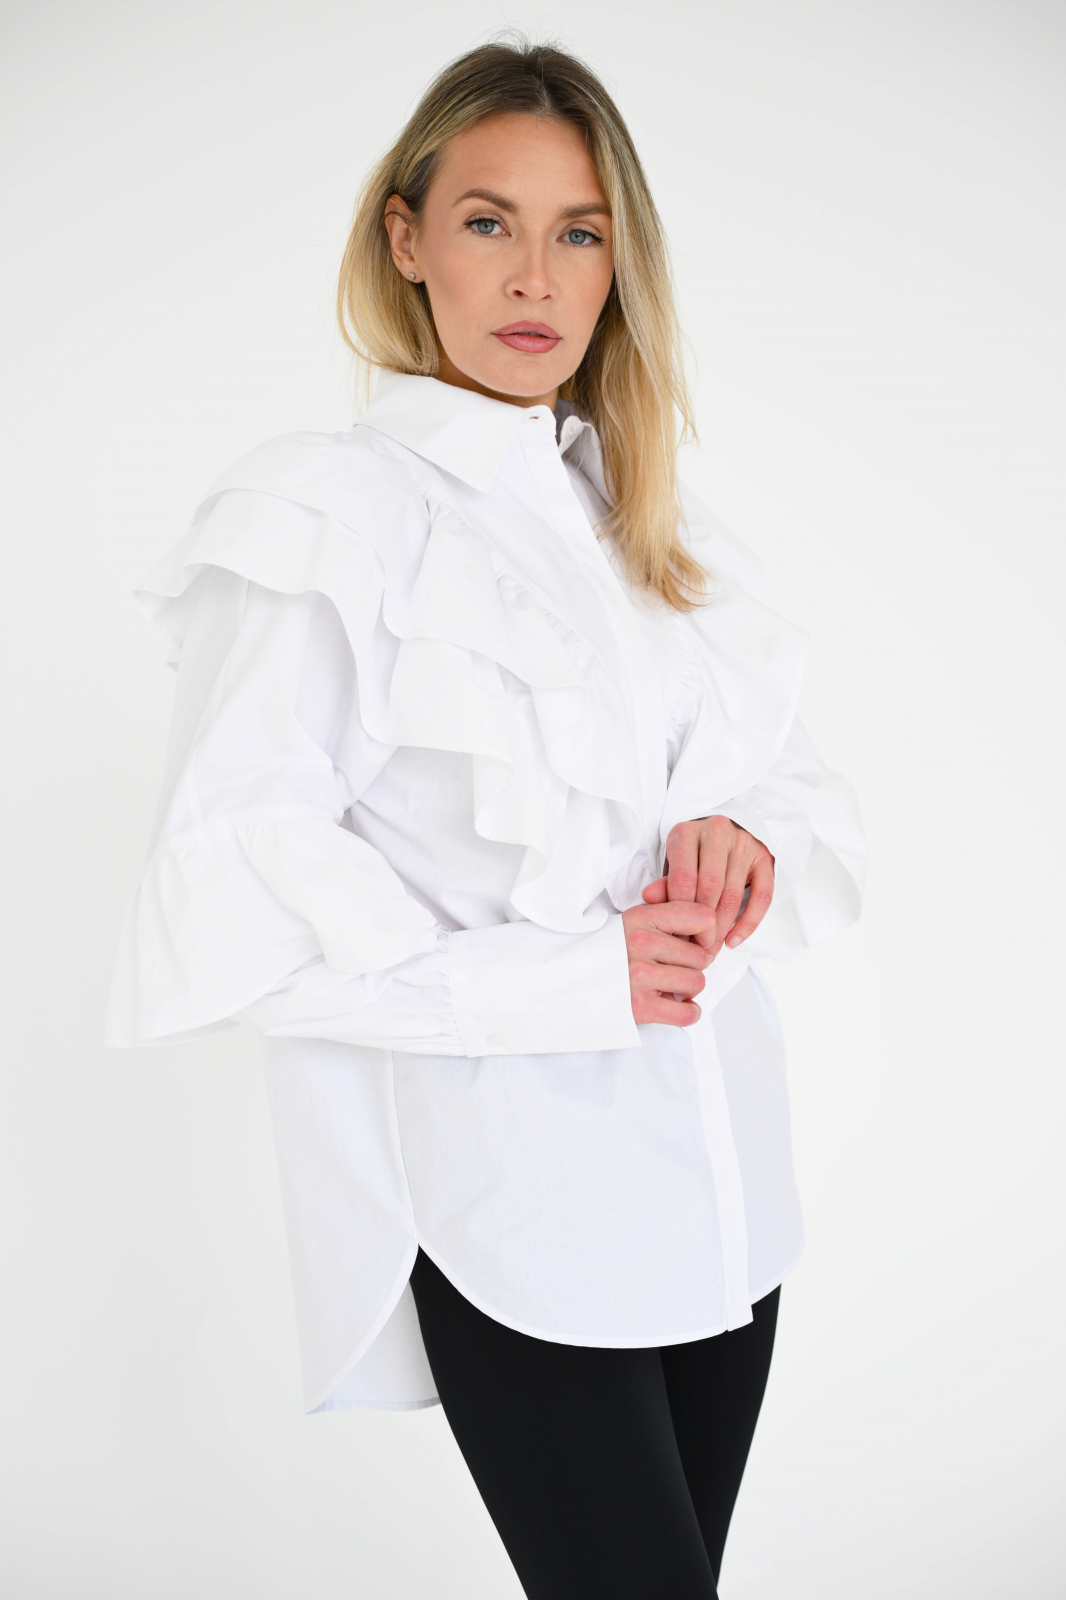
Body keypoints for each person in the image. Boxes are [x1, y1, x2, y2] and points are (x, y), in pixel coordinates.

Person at [108, 37, 865, 1600]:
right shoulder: (326, 513)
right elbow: (234, 893)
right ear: (405, 239)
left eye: (578, 231)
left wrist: (747, 837)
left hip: (725, 1196)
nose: (534, 275)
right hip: (517, 1210)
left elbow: (789, 777)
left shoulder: (643, 517)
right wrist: (569, 982)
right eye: (486, 221)